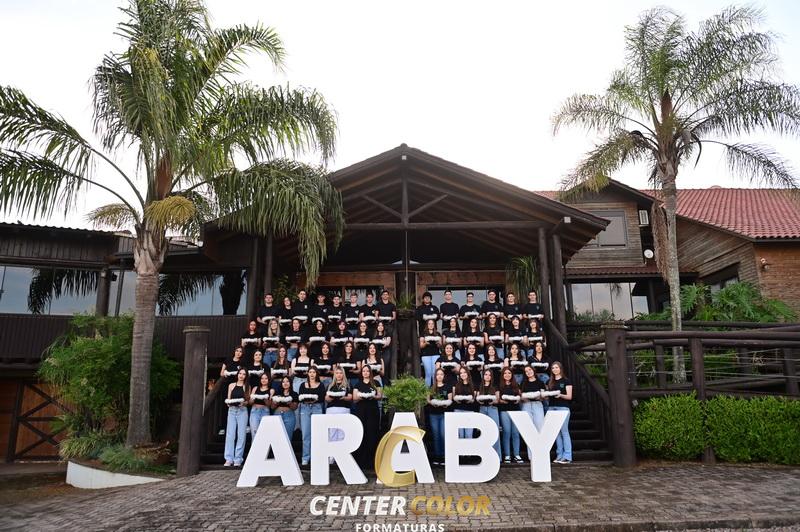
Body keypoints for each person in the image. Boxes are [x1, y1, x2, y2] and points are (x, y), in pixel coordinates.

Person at [353, 365, 382, 470]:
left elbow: (380, 396)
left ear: (370, 372)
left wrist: (373, 396)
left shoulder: (376, 383)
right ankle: (361, 461)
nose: (365, 373)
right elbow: (354, 398)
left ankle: (373, 460)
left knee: (372, 433)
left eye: (367, 371)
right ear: (362, 373)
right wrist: (361, 397)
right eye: (364, 371)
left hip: (372, 411)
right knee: (362, 433)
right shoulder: (358, 384)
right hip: (361, 411)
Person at [298, 367, 326, 467]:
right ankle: (305, 458)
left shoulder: (321, 385)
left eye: (314, 372)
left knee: (318, 434)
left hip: (317, 408)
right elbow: (300, 397)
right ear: (308, 374)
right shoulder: (303, 385)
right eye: (310, 372)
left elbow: (322, 398)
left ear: (316, 374)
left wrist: (314, 400)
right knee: (306, 434)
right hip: (305, 408)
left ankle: (317, 456)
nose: (312, 374)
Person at [223, 368, 250, 467]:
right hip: (232, 410)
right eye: (240, 373)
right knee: (230, 435)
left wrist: (244, 403)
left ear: (246, 376)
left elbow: (248, 401)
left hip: (242, 411)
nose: (241, 375)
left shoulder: (247, 386)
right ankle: (229, 458)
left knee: (241, 435)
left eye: (244, 374)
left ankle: (238, 458)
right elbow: (228, 399)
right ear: (237, 374)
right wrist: (229, 403)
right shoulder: (231, 385)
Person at [548, 361, 573, 464]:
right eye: (553, 368)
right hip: (551, 408)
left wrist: (561, 395)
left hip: (563, 408)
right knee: (556, 433)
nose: (555, 369)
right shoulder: (550, 382)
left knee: (564, 432)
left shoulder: (566, 381)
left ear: (560, 369)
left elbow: (569, 396)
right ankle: (559, 455)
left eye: (556, 367)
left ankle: (567, 456)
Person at [426, 368, 452, 466]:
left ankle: (445, 456)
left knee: (443, 434)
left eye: (441, 374)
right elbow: (428, 400)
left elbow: (450, 399)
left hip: (444, 414)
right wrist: (433, 403)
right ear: (435, 376)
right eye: (438, 374)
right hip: (433, 414)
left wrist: (445, 404)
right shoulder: (432, 387)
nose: (439, 376)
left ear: (444, 376)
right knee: (436, 435)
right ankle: (437, 457)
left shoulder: (447, 387)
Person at [520, 365, 546, 460]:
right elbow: (520, 396)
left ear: (533, 370)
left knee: (540, 428)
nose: (528, 372)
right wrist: (525, 398)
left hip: (537, 405)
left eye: (529, 370)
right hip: (526, 405)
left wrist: (539, 397)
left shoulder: (540, 382)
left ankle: (540, 454)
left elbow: (543, 396)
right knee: (529, 430)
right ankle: (531, 456)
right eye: (526, 371)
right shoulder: (523, 383)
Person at [498, 367, 523, 464]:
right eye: (505, 373)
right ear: (502, 375)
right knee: (506, 433)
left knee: (515, 433)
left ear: (512, 374)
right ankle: (507, 455)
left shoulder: (516, 385)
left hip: (515, 411)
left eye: (509, 373)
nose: (507, 375)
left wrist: (517, 399)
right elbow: (498, 399)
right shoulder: (499, 386)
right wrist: (502, 401)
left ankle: (517, 454)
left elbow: (520, 397)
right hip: (504, 411)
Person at [476, 369, 501, 459]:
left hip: (492, 408)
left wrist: (493, 401)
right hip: (482, 408)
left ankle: (497, 456)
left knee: (495, 431)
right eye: (486, 374)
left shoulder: (495, 386)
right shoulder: (479, 386)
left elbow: (498, 400)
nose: (487, 376)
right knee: (483, 432)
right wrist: (480, 401)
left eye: (489, 375)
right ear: (483, 376)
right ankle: (484, 456)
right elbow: (477, 398)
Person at [325, 367, 352, 448]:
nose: (339, 375)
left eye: (340, 373)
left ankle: (342, 452)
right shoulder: (330, 385)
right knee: (332, 433)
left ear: (343, 374)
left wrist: (344, 397)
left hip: (344, 409)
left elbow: (350, 397)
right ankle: (331, 454)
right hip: (331, 410)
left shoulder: (347, 385)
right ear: (334, 374)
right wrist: (331, 397)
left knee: (343, 432)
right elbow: (326, 398)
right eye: (337, 373)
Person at [270, 376, 298, 440]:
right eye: (283, 382)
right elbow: (272, 407)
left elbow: (295, 407)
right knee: (277, 438)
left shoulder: (294, 394)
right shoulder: (277, 393)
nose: (285, 383)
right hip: (277, 415)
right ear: (281, 383)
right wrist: (275, 403)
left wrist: (290, 403)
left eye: (287, 381)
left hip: (289, 416)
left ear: (290, 383)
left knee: (288, 437)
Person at [452, 366, 476, 439]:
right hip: (458, 410)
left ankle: (469, 447)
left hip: (469, 411)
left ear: (468, 373)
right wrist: (457, 399)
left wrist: (470, 400)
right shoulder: (456, 385)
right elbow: (454, 398)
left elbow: (474, 398)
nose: (463, 374)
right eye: (461, 373)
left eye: (464, 372)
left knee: (469, 435)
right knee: (460, 435)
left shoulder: (473, 385)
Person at [419, 319, 442, 387]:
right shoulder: (423, 334)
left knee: (434, 373)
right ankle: (427, 390)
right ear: (427, 325)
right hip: (426, 355)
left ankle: (435, 389)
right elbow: (421, 346)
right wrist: (425, 343)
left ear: (434, 325)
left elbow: (441, 346)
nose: (431, 325)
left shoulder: (437, 334)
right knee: (428, 373)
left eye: (432, 323)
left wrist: (438, 343)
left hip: (436, 354)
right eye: (429, 323)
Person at [249, 372, 272, 437]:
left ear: (269, 379)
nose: (264, 380)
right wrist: (252, 400)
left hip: (265, 411)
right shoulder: (255, 388)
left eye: (266, 378)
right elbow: (250, 403)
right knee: (254, 433)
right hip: (254, 411)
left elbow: (270, 405)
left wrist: (265, 400)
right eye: (262, 378)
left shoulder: (271, 390)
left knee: (264, 434)